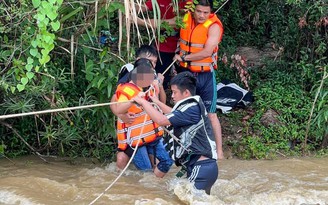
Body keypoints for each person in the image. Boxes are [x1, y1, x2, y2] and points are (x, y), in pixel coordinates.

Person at [133, 71, 218, 194]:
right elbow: (172, 113)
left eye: (175, 92)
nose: (172, 96)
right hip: (203, 168)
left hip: (201, 167)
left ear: (186, 93)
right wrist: (154, 101)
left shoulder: (192, 108)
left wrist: (143, 102)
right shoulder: (191, 107)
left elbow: (162, 120)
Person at [173, 0, 224, 159]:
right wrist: (138, 20)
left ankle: (219, 153)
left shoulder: (214, 26)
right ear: (193, 10)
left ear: (210, 12)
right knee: (181, 110)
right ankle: (182, 149)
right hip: (186, 74)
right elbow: (163, 23)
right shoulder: (185, 18)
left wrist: (184, 58)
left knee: (211, 115)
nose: (202, 15)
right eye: (199, 11)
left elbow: (207, 51)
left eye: (205, 12)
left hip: (205, 76)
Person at [112, 58, 173, 178]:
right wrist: (133, 101)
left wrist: (157, 88)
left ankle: (156, 185)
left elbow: (157, 106)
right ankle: (147, 190)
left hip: (152, 135)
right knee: (146, 173)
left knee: (167, 162)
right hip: (137, 139)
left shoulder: (151, 86)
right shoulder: (126, 89)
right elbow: (119, 109)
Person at [136, 0, 189, 90]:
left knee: (184, 80)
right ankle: (156, 100)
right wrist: (124, 5)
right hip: (162, 47)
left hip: (182, 49)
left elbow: (174, 22)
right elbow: (142, 7)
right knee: (160, 78)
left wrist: (139, 21)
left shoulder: (189, 3)